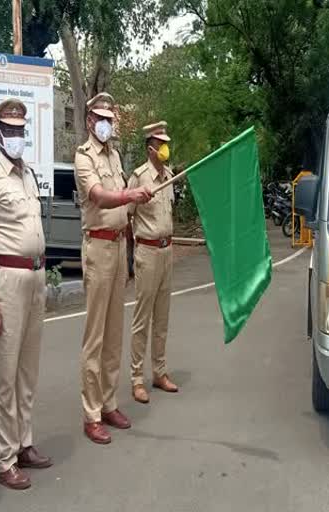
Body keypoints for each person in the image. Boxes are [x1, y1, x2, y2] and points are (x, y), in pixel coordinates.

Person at [0, 98, 51, 490]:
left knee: (27, 373)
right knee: (5, 377)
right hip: (7, 283)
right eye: (11, 129)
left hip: (35, 280)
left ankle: (24, 444)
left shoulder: (28, 175)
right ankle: (4, 461)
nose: (17, 135)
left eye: (22, 130)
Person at [74, 92, 151, 444]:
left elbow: (124, 207)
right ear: (90, 121)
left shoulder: (116, 154)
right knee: (95, 336)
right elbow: (99, 196)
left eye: (110, 118)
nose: (106, 123)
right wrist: (130, 196)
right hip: (99, 247)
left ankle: (108, 402)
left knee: (114, 330)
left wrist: (137, 202)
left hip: (119, 246)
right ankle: (91, 413)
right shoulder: (83, 157)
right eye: (100, 118)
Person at [128, 121, 179, 404]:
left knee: (162, 317)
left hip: (167, 251)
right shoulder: (138, 177)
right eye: (160, 144)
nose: (165, 148)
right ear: (150, 148)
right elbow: (127, 215)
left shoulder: (168, 175)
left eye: (166, 143)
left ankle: (159, 371)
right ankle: (136, 378)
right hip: (146, 252)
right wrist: (128, 260)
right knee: (142, 319)